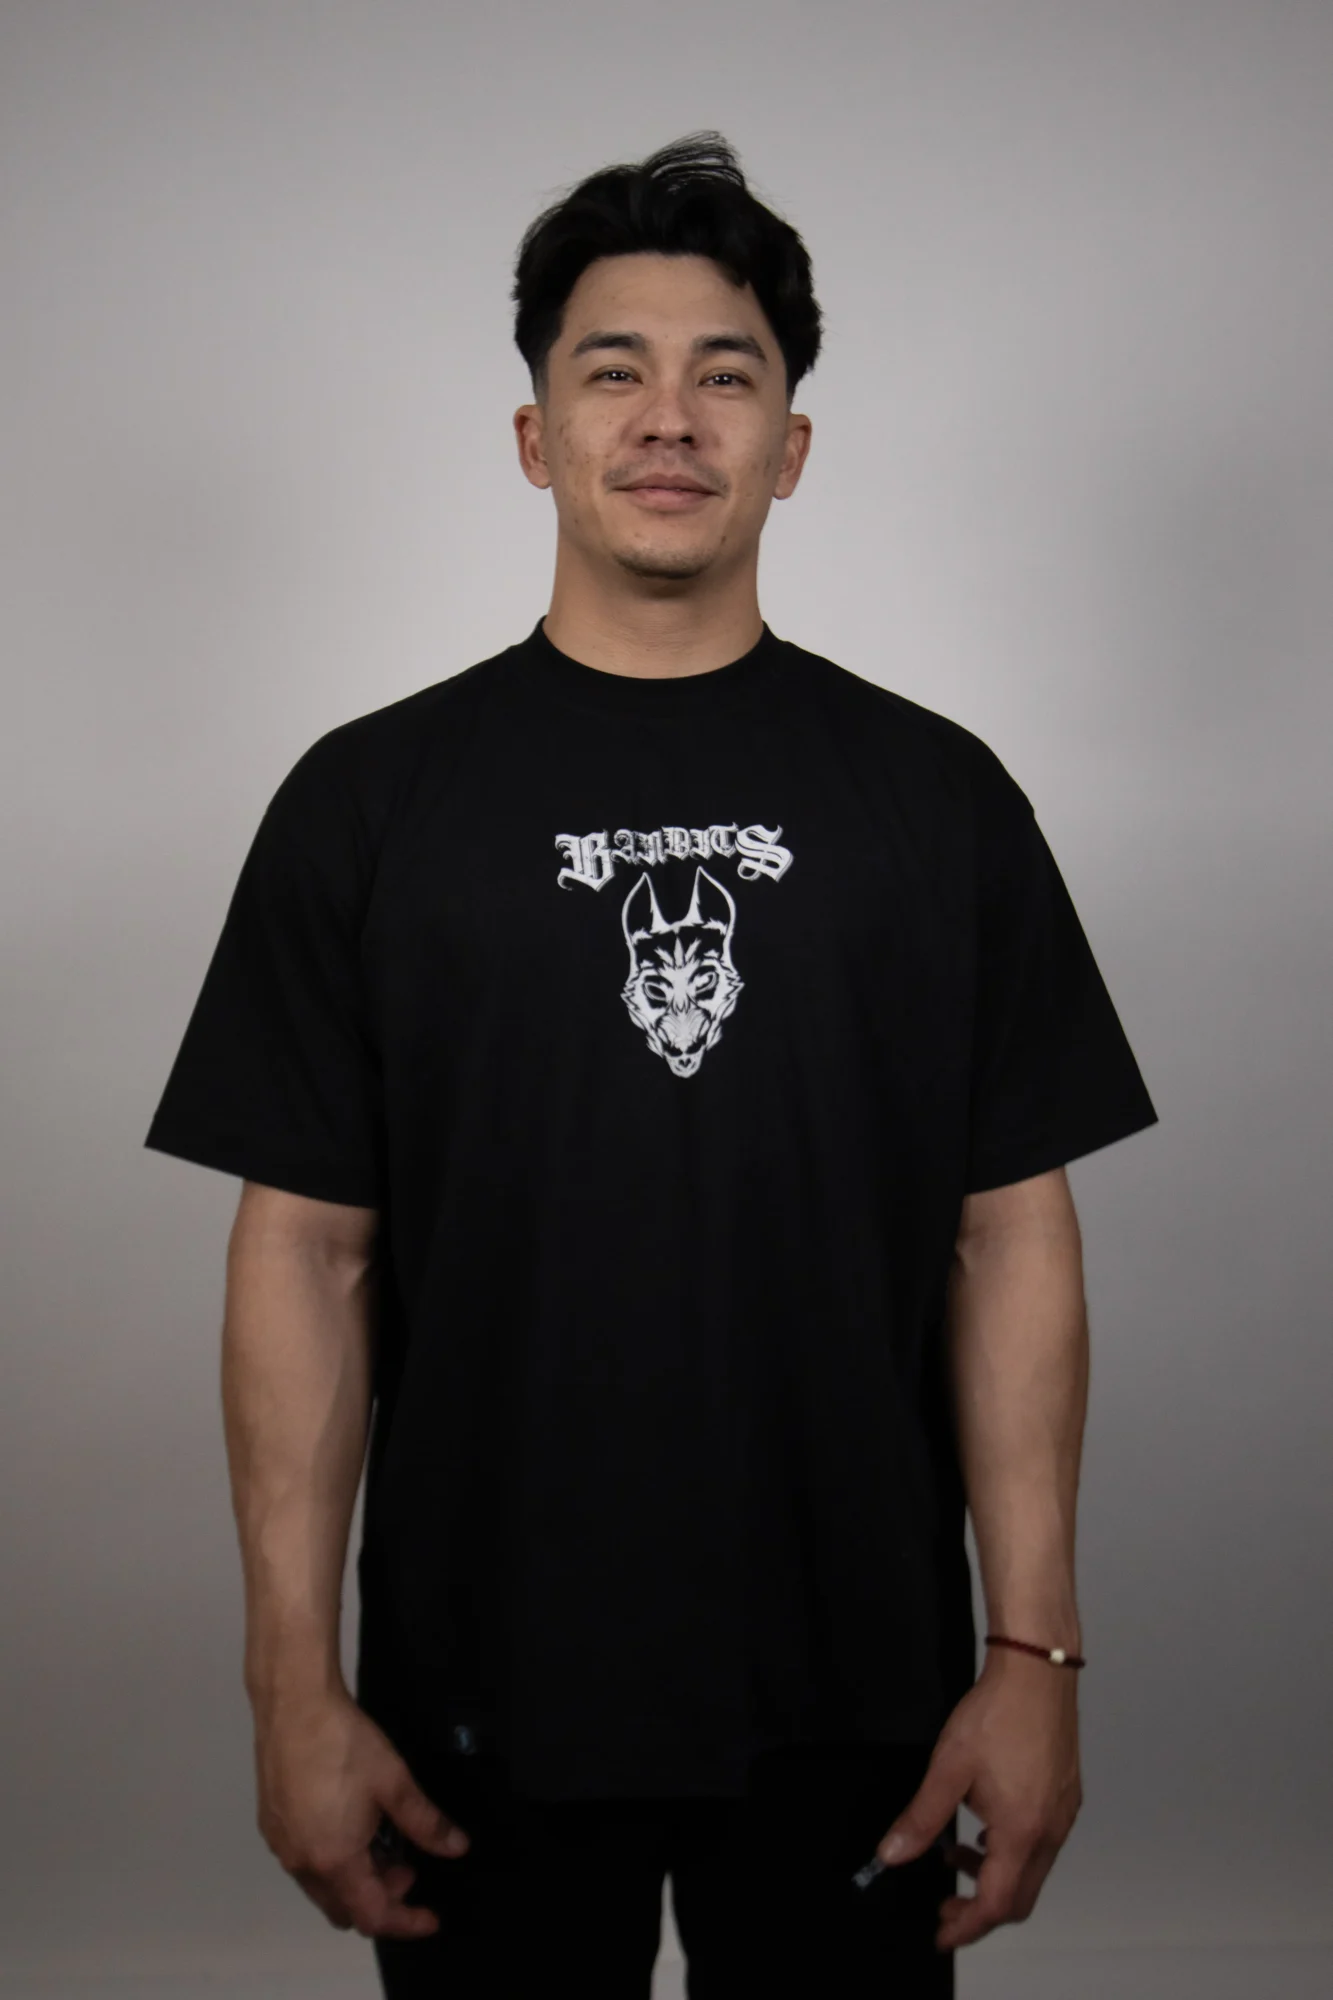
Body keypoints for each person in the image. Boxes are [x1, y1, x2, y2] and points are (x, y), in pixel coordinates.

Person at [144, 131, 1158, 1998]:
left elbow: (1009, 1232)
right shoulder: (367, 803)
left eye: (726, 375)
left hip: (863, 1696)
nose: (670, 418)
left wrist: (1035, 1658)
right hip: (477, 1698)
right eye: (613, 369)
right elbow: (306, 1255)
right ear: (536, 435)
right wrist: (291, 1682)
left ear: (793, 445)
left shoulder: (941, 801)